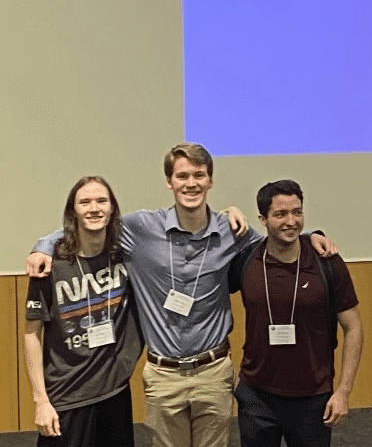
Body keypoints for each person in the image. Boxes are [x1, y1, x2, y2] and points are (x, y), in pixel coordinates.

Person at [27, 143, 336, 447]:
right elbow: (90, 222)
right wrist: (43, 244)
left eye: (199, 175)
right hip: (164, 376)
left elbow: (277, 238)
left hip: (213, 372)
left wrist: (311, 237)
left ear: (210, 180)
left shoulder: (231, 229)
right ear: (169, 182)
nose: (191, 183)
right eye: (183, 176)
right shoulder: (142, 227)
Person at [229, 179, 363, 447]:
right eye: (280, 214)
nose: (291, 221)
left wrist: (344, 392)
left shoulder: (326, 262)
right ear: (263, 219)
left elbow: (354, 327)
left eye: (297, 212)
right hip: (256, 396)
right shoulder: (245, 261)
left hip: (313, 398)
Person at [24, 176, 143, 447]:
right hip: (65, 397)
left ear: (112, 209)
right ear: (73, 211)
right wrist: (41, 401)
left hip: (114, 393)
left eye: (102, 201)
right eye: (85, 202)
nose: (94, 208)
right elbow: (31, 335)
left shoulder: (125, 256)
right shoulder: (49, 264)